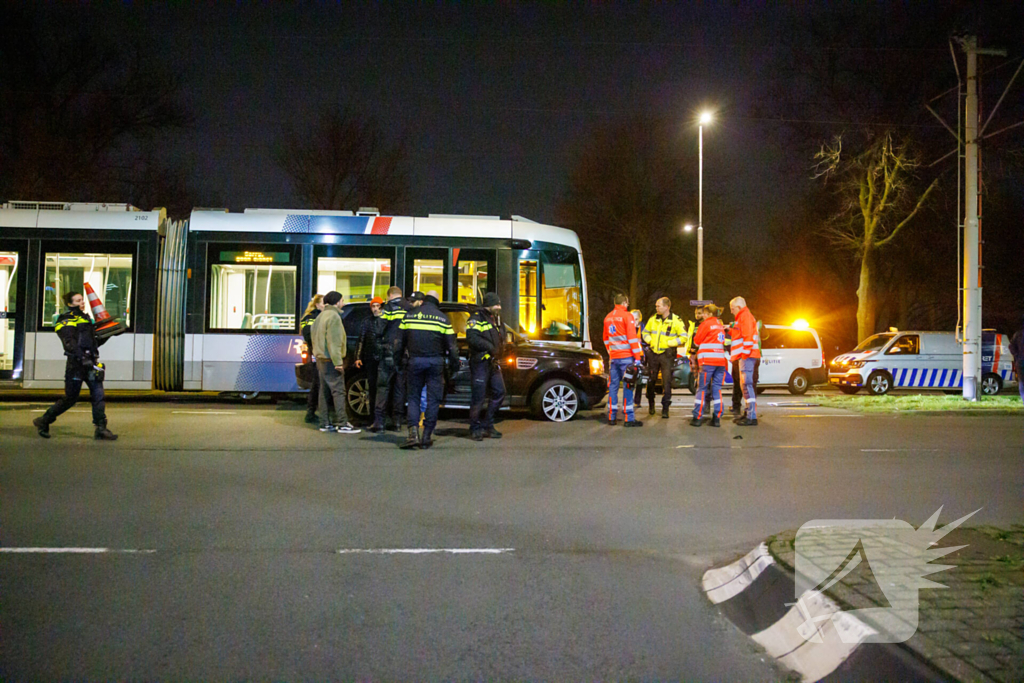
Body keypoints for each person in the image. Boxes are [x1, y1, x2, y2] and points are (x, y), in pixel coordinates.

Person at [33, 291, 118, 440]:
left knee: (98, 395)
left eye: (82, 300)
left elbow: (92, 343)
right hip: (76, 365)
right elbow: (69, 342)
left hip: (91, 363)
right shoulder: (65, 320)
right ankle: (44, 420)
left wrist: (109, 334)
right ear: (70, 304)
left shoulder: (86, 318)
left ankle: (101, 428)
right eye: (78, 301)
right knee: (71, 398)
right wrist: (82, 357)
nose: (82, 302)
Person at [394, 290, 459, 449]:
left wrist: (398, 362)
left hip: (414, 361)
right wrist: (454, 366)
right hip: (435, 363)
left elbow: (398, 343)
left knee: (413, 398)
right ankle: (426, 436)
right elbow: (452, 347)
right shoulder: (442, 318)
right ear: (437, 302)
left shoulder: (409, 316)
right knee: (433, 400)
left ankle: (413, 434)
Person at [311, 291, 360, 434]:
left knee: (324, 392)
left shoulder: (320, 316)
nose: (343, 303)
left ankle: (325, 423)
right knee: (338, 391)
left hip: (321, 360)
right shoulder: (334, 317)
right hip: (331, 360)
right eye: (342, 300)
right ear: (337, 302)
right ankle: (342, 423)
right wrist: (338, 362)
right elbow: (334, 342)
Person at [468, 292, 507, 441]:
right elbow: (472, 338)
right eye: (496, 305)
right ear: (488, 305)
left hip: (493, 362)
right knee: (478, 397)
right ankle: (475, 428)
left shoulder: (496, 319)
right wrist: (490, 347)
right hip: (480, 362)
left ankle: (487, 425)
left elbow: (501, 336)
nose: (499, 307)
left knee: (500, 392)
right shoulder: (476, 318)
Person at [602, 293, 644, 427]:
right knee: (628, 387)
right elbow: (632, 339)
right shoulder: (627, 316)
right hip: (626, 358)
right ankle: (629, 418)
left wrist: (611, 352)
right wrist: (637, 358)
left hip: (614, 358)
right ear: (625, 303)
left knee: (613, 387)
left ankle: (611, 416)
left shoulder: (608, 317)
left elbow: (605, 339)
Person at [642, 297, 687, 418]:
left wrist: (670, 343)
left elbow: (684, 337)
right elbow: (645, 333)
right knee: (651, 381)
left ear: (667, 307)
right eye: (656, 306)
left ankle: (665, 408)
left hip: (667, 355)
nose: (656, 308)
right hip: (653, 354)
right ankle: (651, 404)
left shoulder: (676, 321)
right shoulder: (653, 319)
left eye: (659, 306)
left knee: (666, 383)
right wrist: (650, 341)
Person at [375, 287, 409, 431]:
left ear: (389, 296)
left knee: (383, 387)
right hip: (404, 353)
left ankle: (379, 422)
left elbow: (378, 329)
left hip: (388, 352)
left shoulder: (387, 308)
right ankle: (397, 422)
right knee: (400, 389)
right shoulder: (409, 308)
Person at [690, 304, 727, 427]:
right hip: (720, 361)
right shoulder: (720, 325)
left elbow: (697, 341)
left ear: (710, 314)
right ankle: (717, 417)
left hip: (707, 361)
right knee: (717, 389)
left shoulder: (705, 324)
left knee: (702, 388)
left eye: (705, 313)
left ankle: (697, 417)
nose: (703, 315)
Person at [730, 296, 762, 426]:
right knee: (745, 386)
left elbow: (747, 337)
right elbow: (741, 334)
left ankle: (751, 416)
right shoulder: (743, 317)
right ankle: (748, 413)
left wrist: (744, 355)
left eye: (732, 308)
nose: (731, 311)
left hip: (747, 356)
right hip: (746, 356)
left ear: (739, 307)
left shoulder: (745, 317)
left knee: (747, 386)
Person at [355, 297, 385, 430]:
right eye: (374, 306)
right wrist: (358, 357)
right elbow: (361, 339)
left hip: (382, 358)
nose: (376, 309)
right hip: (370, 358)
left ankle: (381, 417)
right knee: (372, 388)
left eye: (378, 306)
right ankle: (373, 417)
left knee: (383, 388)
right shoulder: (367, 321)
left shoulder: (385, 320)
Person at [300, 294, 327, 424]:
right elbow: (309, 334)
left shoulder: (312, 317)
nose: (325, 305)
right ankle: (311, 413)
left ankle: (311, 412)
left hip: (316, 353)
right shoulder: (313, 317)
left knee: (317, 384)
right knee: (317, 385)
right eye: (323, 303)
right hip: (317, 354)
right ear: (317, 305)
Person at [1010, 314, 1024, 406]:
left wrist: (1017, 355)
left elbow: (1011, 346)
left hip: (1021, 361)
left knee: (1022, 382)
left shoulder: (1018, 334)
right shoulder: (1018, 335)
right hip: (1021, 361)